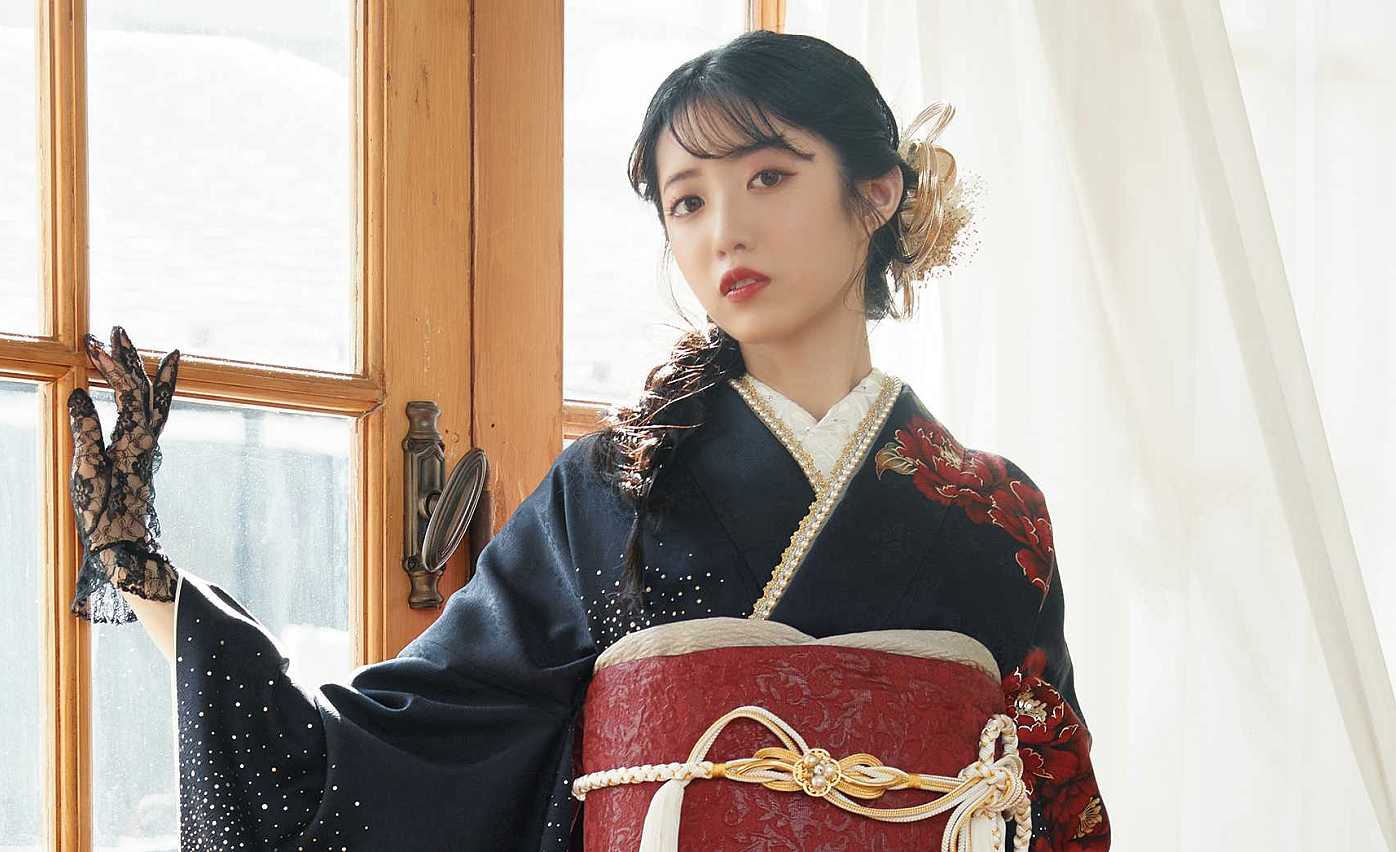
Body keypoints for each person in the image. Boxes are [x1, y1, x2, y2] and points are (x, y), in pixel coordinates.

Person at [67, 30, 1110, 851]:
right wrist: (139, 570)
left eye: (767, 178)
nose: (723, 232)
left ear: (876, 192)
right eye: (686, 202)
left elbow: (1055, 807)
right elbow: (393, 755)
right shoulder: (609, 494)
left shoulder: (994, 514)